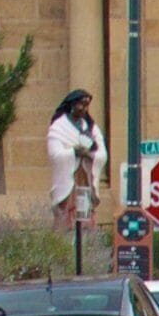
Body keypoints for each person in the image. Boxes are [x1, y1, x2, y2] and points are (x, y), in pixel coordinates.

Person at [44, 90, 102, 227]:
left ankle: (85, 231)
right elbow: (54, 154)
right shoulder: (59, 127)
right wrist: (73, 152)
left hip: (85, 176)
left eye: (87, 105)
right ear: (72, 105)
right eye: (81, 105)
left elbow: (101, 153)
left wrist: (88, 154)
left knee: (84, 211)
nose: (84, 109)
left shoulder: (91, 127)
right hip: (69, 178)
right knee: (68, 212)